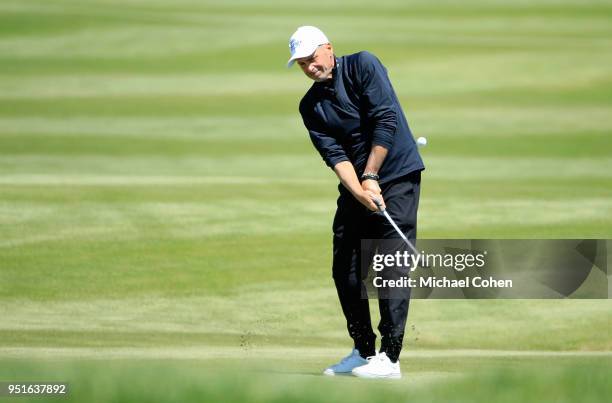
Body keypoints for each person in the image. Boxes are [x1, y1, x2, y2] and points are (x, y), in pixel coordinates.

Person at [287, 26, 424, 379]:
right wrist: (359, 190)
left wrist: (373, 176)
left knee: (390, 265)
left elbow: (385, 119)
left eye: (311, 58)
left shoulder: (364, 65)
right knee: (345, 267)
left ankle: (390, 357)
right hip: (358, 185)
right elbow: (334, 154)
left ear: (328, 49)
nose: (309, 67)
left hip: (396, 175)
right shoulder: (310, 106)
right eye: (301, 64)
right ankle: (363, 351)